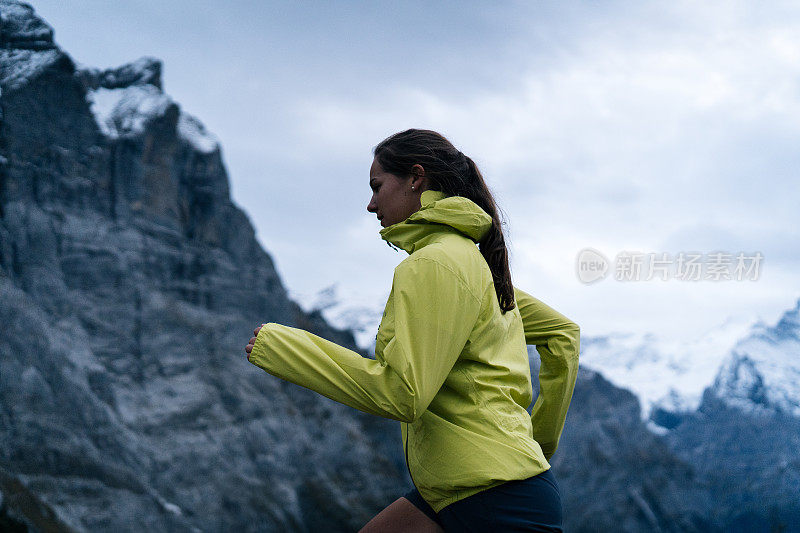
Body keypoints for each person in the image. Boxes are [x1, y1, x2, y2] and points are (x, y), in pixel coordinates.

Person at [245, 129, 580, 532]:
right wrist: (533, 447)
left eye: (377, 186)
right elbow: (563, 335)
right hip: (480, 486)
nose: (370, 205)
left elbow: (403, 393)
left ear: (416, 178)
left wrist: (283, 348)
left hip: (492, 498)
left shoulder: (436, 265)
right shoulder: (471, 266)